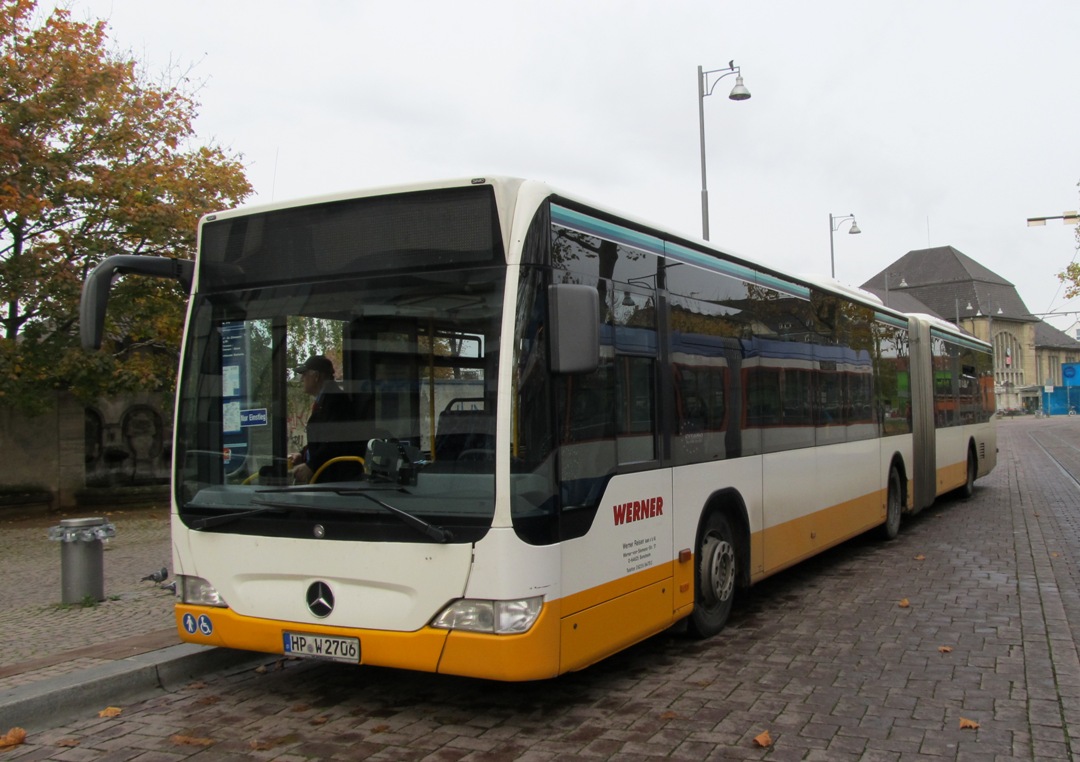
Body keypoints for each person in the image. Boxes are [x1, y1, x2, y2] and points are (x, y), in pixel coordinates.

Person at [289, 355, 359, 483]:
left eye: (304, 375)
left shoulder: (336, 401)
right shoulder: (325, 400)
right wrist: (303, 454)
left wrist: (311, 466)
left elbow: (334, 442)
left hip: (334, 480)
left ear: (316, 376)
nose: (301, 379)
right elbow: (322, 440)